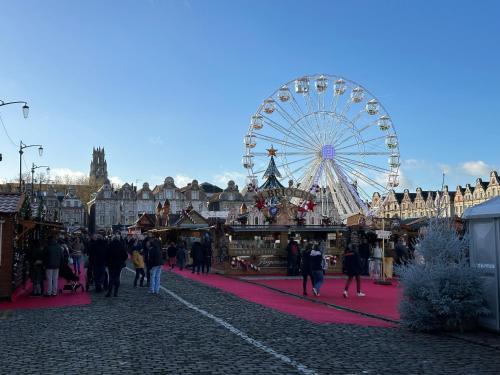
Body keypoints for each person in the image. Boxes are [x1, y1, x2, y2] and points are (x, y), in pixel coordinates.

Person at [342, 233, 365, 298]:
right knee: (358, 279)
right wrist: (361, 267)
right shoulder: (355, 252)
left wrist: (345, 267)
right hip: (356, 267)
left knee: (350, 279)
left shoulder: (347, 252)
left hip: (350, 267)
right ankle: (358, 292)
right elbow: (358, 261)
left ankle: (345, 291)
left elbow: (345, 260)